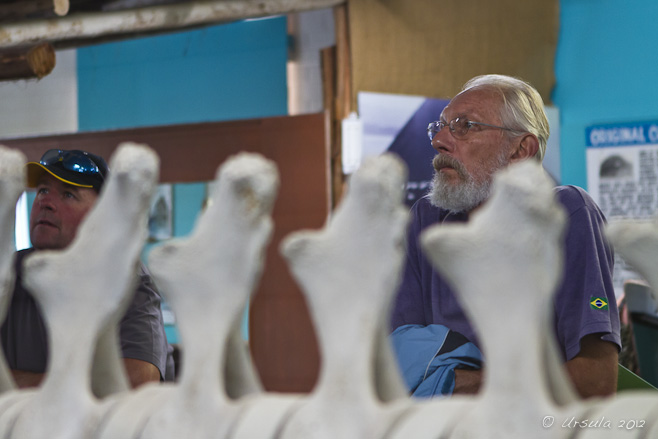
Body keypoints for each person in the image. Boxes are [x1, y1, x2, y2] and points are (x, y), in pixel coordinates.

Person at [391, 74, 621, 398]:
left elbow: (594, 381)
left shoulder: (567, 215)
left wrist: (453, 382)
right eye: (440, 126)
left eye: (465, 126)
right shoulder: (426, 220)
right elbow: (396, 369)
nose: (439, 140)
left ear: (519, 150)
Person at [1, 148, 172, 388]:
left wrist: (16, 384)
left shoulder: (126, 280)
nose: (45, 202)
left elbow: (138, 378)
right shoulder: (8, 273)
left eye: (68, 194)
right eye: (42, 190)